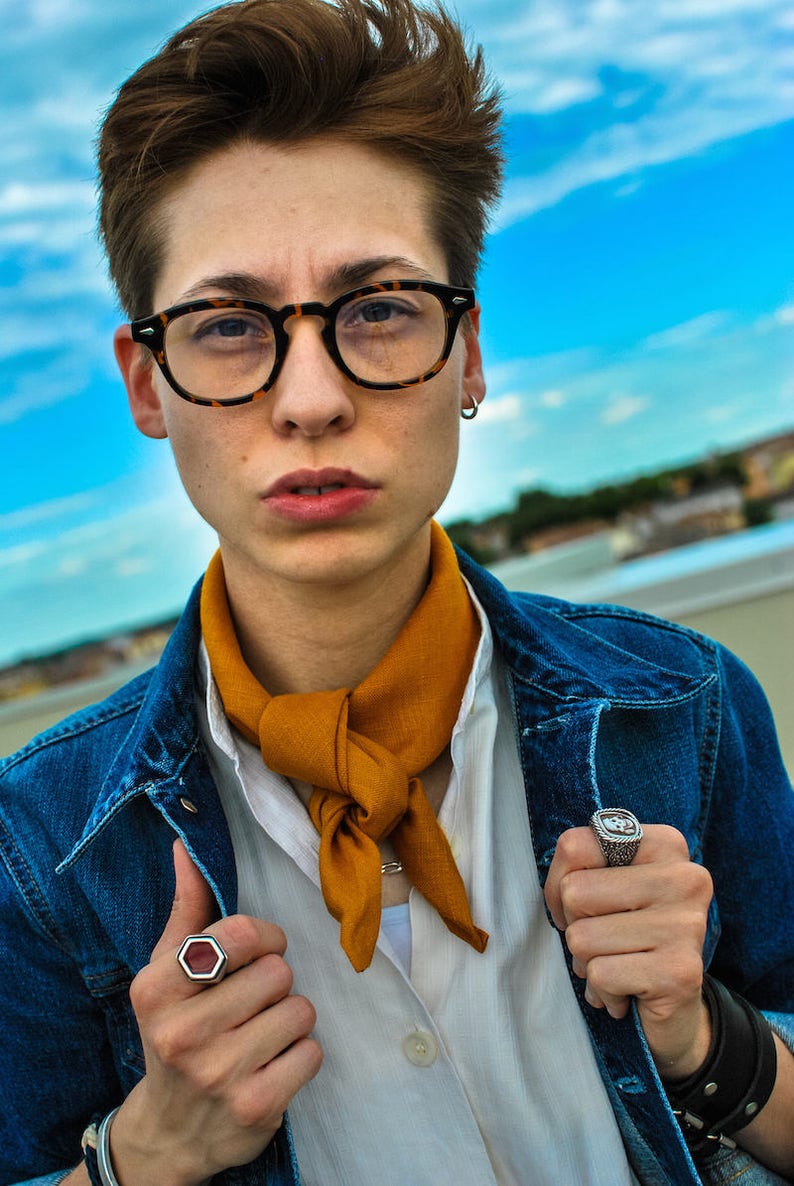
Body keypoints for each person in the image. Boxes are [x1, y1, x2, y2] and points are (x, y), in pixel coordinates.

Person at [0, 1, 792, 1184]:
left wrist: (708, 1040)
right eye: (226, 324)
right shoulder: (36, 844)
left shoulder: (682, 704)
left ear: (465, 351)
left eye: (376, 308)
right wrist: (142, 1155)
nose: (310, 397)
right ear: (148, 382)